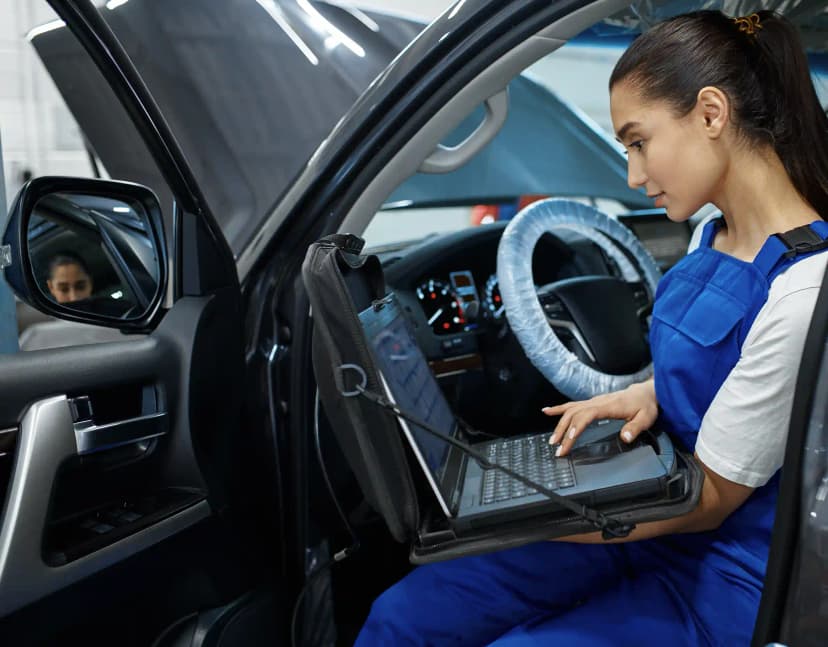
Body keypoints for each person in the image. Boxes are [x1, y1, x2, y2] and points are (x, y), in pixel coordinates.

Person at [355, 10, 828, 646]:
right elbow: (719, 371)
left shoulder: (806, 287)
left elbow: (710, 499)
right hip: (654, 504)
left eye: (639, 142)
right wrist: (648, 394)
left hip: (722, 562)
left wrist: (526, 513)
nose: (633, 176)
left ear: (712, 114)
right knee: (404, 617)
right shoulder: (708, 234)